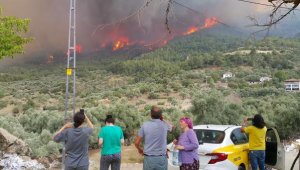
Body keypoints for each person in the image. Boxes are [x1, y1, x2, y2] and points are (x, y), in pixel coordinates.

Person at [134, 106, 173, 170]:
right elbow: (172, 127)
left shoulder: (145, 125)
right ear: (160, 115)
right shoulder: (165, 125)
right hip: (161, 158)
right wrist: (163, 119)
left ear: (150, 114)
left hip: (149, 159)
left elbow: (136, 143)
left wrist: (140, 149)